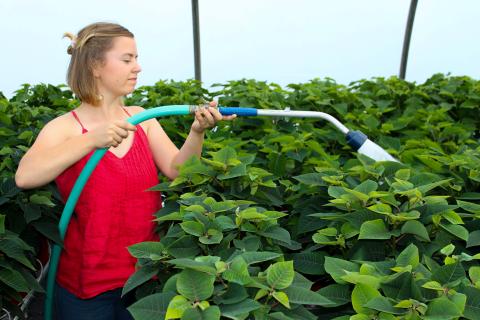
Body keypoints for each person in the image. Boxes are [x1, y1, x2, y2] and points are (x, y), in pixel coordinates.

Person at [14, 22, 235, 319]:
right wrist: (92, 139)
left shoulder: (141, 118)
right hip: (87, 286)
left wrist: (197, 132)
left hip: (145, 277)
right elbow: (25, 177)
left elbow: (179, 170)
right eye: (127, 59)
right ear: (95, 65)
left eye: (137, 58)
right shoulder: (65, 128)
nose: (138, 67)